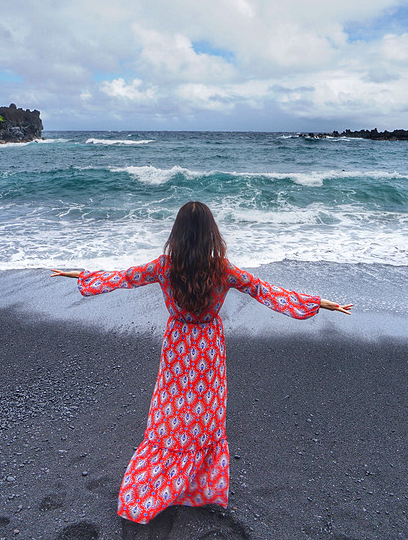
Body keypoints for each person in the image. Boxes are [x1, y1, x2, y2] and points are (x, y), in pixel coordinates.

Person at [51, 200, 352, 525]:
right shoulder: (223, 269)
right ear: (212, 234)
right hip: (208, 349)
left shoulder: (164, 266)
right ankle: (197, 487)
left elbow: (123, 277)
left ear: (177, 233)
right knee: (204, 416)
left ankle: (156, 483)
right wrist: (317, 303)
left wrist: (82, 275)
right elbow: (268, 292)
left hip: (178, 347)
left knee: (172, 412)